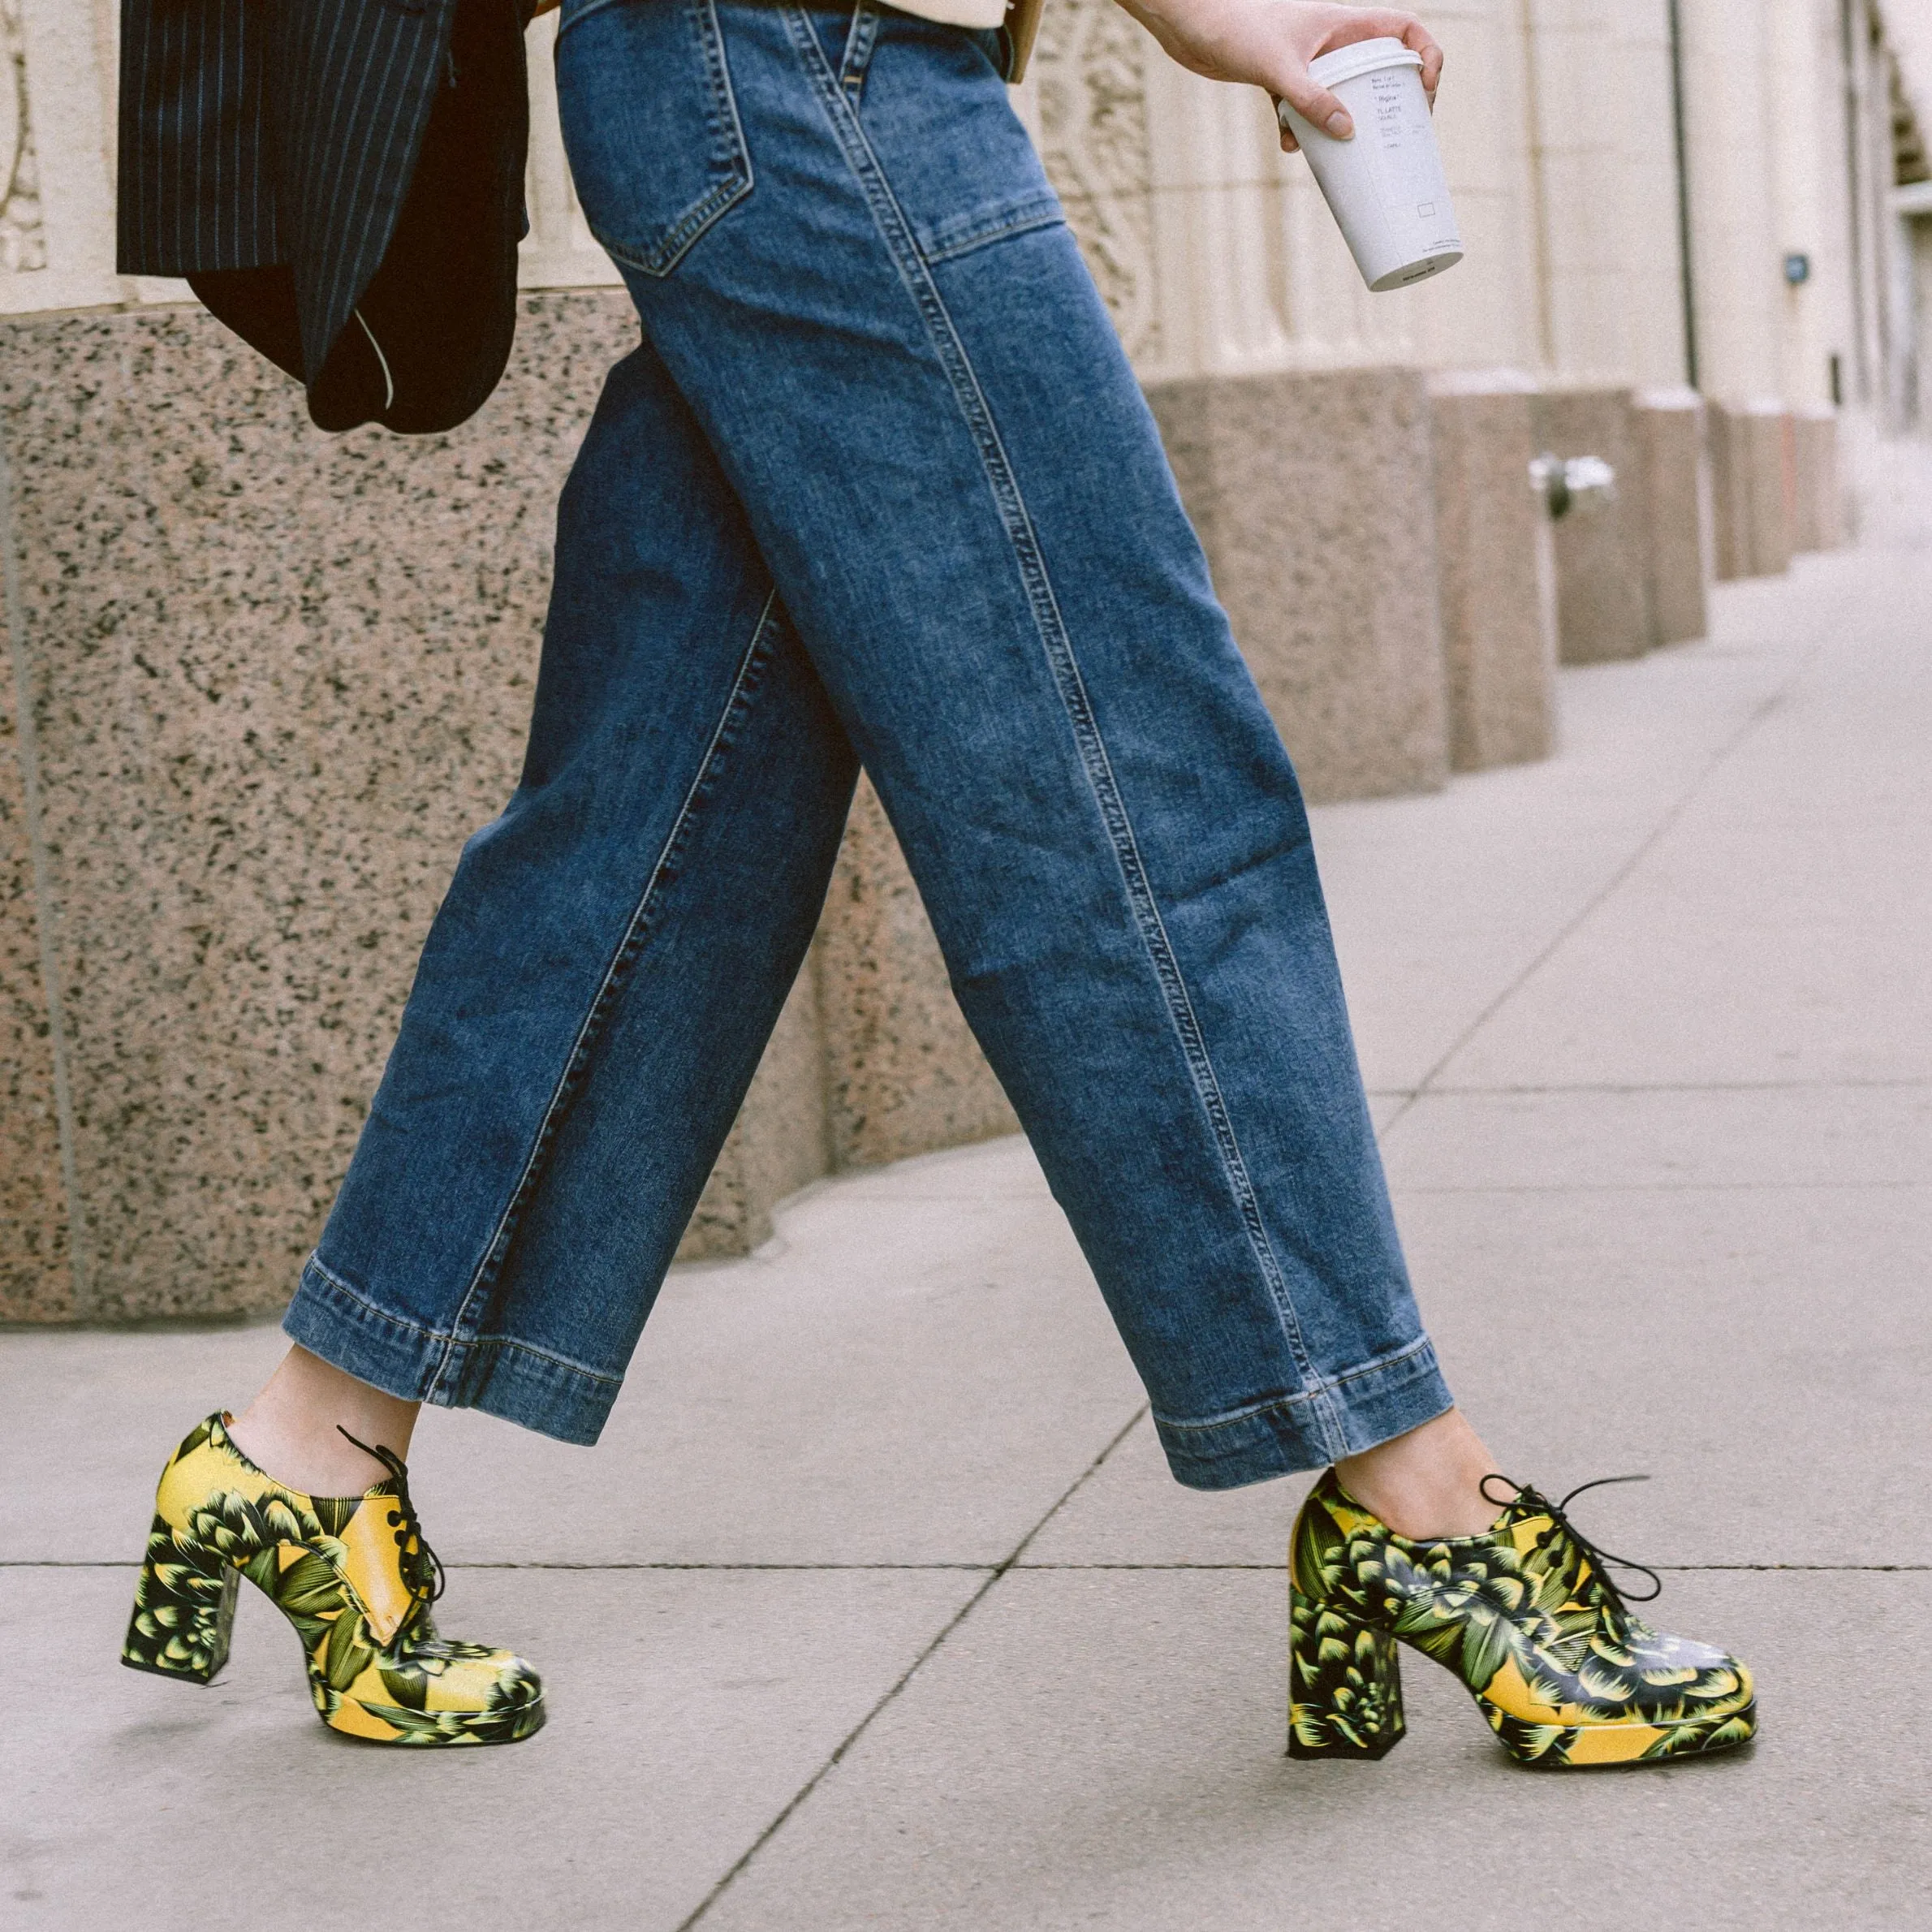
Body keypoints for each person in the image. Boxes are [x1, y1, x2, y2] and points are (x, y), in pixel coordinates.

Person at [119, 0, 1756, 1765]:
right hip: (810, 75)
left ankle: (302, 1448)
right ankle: (1410, 1492)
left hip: (732, 82)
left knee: (663, 818)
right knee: (1122, 768)